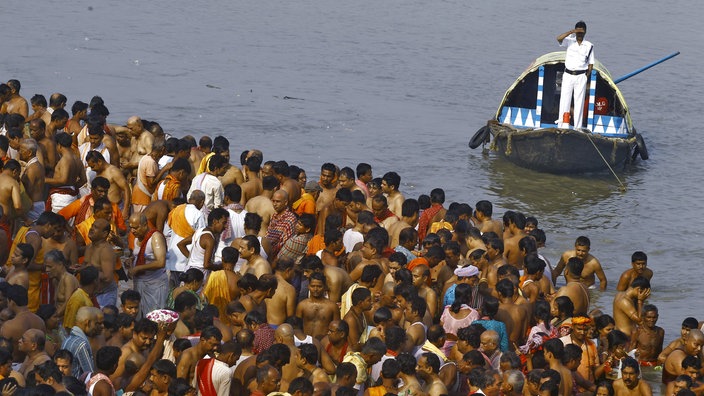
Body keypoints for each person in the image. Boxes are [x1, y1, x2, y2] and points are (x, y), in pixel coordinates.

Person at [128, 212, 168, 316]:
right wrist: (132, 260)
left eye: (136, 228)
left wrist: (138, 268)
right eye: (131, 228)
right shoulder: (137, 237)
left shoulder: (155, 238)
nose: (133, 231)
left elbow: (160, 262)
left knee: (154, 317)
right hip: (140, 283)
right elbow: (138, 255)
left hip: (155, 284)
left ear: (145, 225)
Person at [556, 21, 594, 129]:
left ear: (585, 32)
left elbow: (591, 63)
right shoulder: (569, 41)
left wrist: (586, 76)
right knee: (565, 100)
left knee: (579, 102)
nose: (579, 34)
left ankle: (577, 127)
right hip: (568, 74)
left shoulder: (589, 46)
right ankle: (563, 125)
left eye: (582, 32)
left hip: (581, 75)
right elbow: (558, 38)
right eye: (578, 31)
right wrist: (571, 32)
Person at [61, 306, 103, 377]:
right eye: (96, 324)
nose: (100, 327)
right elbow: (90, 375)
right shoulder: (81, 344)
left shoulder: (67, 339)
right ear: (88, 323)